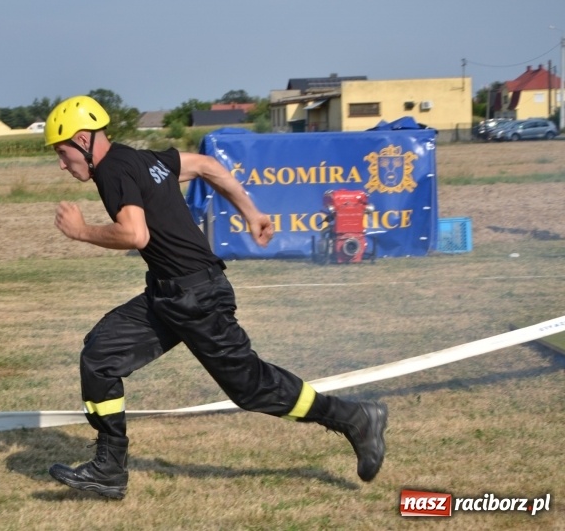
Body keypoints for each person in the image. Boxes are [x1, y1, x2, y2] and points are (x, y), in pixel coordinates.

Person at [44, 95, 387, 500]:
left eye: (63, 152)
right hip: (168, 293)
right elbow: (207, 167)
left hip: (197, 297)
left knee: (253, 389)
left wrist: (81, 231)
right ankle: (109, 468)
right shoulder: (142, 159)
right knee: (100, 356)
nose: (62, 164)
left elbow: (136, 235)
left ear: (83, 139)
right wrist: (251, 211)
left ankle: (354, 417)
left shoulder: (113, 170)